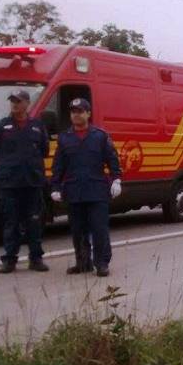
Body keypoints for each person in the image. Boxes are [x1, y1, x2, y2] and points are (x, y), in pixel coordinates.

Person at [51, 98, 122, 277]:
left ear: (88, 114)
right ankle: (83, 263)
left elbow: (112, 159)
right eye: (73, 111)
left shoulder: (99, 136)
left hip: (97, 191)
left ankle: (102, 263)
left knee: (99, 229)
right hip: (74, 191)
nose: (76, 114)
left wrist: (116, 179)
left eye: (80, 111)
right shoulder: (65, 138)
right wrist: (56, 187)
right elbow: (59, 165)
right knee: (78, 230)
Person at [0, 90, 50, 273]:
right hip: (10, 183)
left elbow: (44, 151)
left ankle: (36, 258)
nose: (15, 104)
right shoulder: (1, 127)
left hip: (32, 182)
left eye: (18, 101)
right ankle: (10, 259)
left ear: (27, 104)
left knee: (34, 221)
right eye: (12, 101)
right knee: (11, 222)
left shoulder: (37, 126)